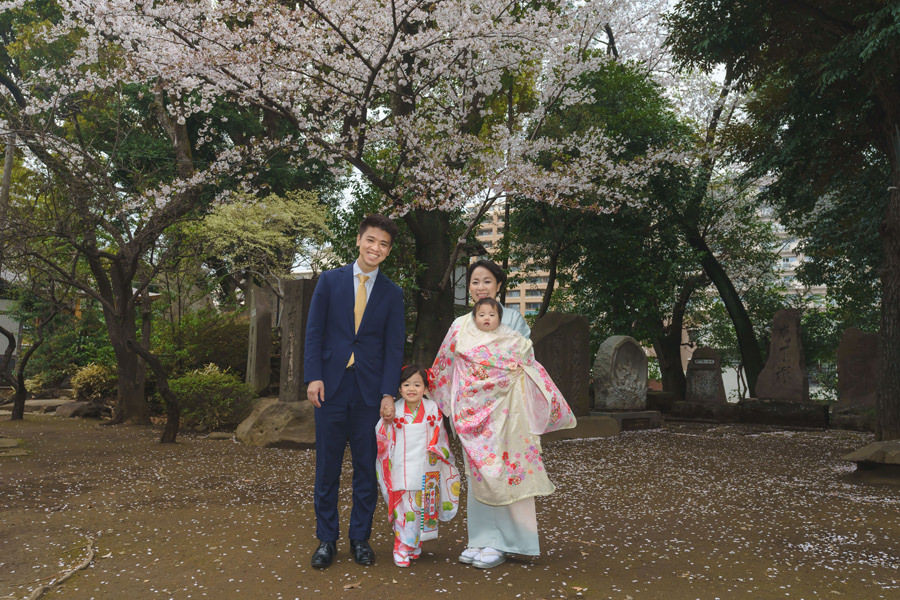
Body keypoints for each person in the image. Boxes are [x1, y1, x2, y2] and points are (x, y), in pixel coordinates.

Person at [430, 261, 576, 569]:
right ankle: (481, 540)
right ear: (469, 288)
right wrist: (450, 404)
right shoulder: (459, 324)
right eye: (475, 282)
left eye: (487, 281)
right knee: (480, 476)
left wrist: (492, 380)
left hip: (508, 411)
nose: (480, 287)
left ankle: (511, 541)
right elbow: (446, 365)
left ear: (498, 285)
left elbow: (522, 360)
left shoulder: (512, 319)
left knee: (508, 473)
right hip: (472, 414)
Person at [304, 214, 405, 569]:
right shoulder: (330, 282)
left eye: (384, 244)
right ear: (359, 240)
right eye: (371, 240)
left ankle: (360, 538)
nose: (376, 248)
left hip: (369, 394)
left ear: (388, 251)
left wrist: (388, 393)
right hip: (330, 389)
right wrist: (313, 376)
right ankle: (326, 540)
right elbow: (314, 331)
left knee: (366, 469)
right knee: (327, 468)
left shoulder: (393, 294)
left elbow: (394, 348)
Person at [375, 365, 461, 567]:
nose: (411, 389)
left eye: (417, 384)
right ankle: (401, 546)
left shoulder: (432, 408)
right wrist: (387, 427)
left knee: (421, 508)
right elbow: (381, 433)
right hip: (401, 467)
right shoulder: (394, 410)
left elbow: (440, 436)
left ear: (425, 388)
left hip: (425, 466)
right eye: (406, 384)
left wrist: (437, 448)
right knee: (404, 510)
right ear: (399, 388)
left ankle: (413, 544)